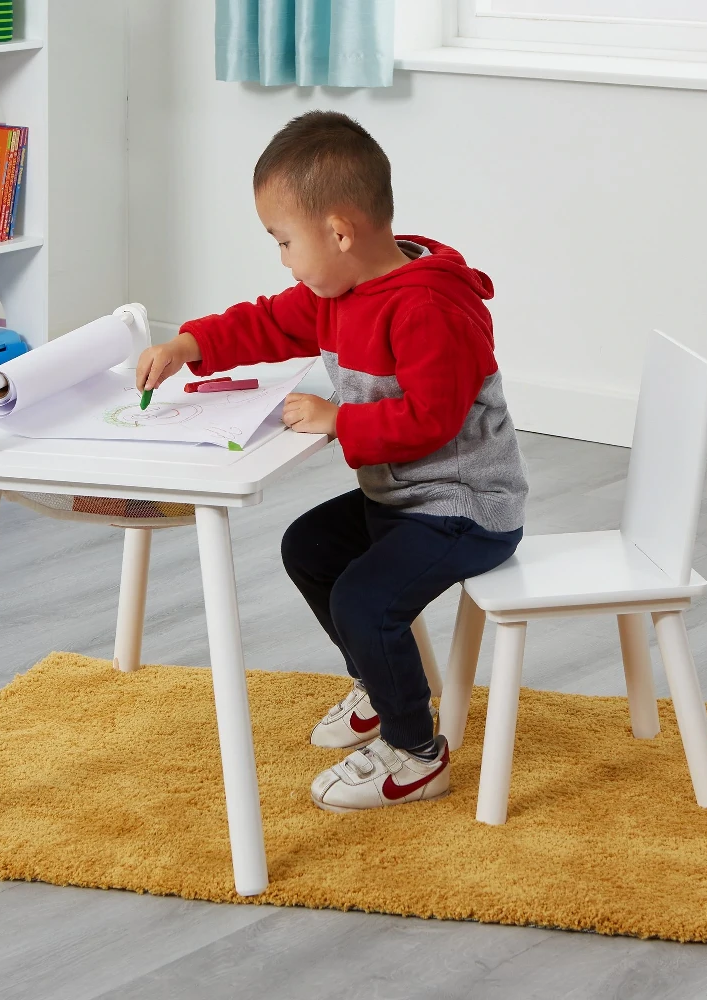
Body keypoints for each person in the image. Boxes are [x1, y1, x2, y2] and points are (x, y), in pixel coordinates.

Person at [136, 110, 528, 813]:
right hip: (403, 498)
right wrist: (188, 346)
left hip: (465, 508)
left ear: (340, 232)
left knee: (365, 597)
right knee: (309, 547)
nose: (283, 259)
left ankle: (415, 753)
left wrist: (337, 420)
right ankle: (381, 690)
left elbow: (431, 421)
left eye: (285, 242)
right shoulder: (337, 292)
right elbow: (265, 320)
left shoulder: (430, 307)